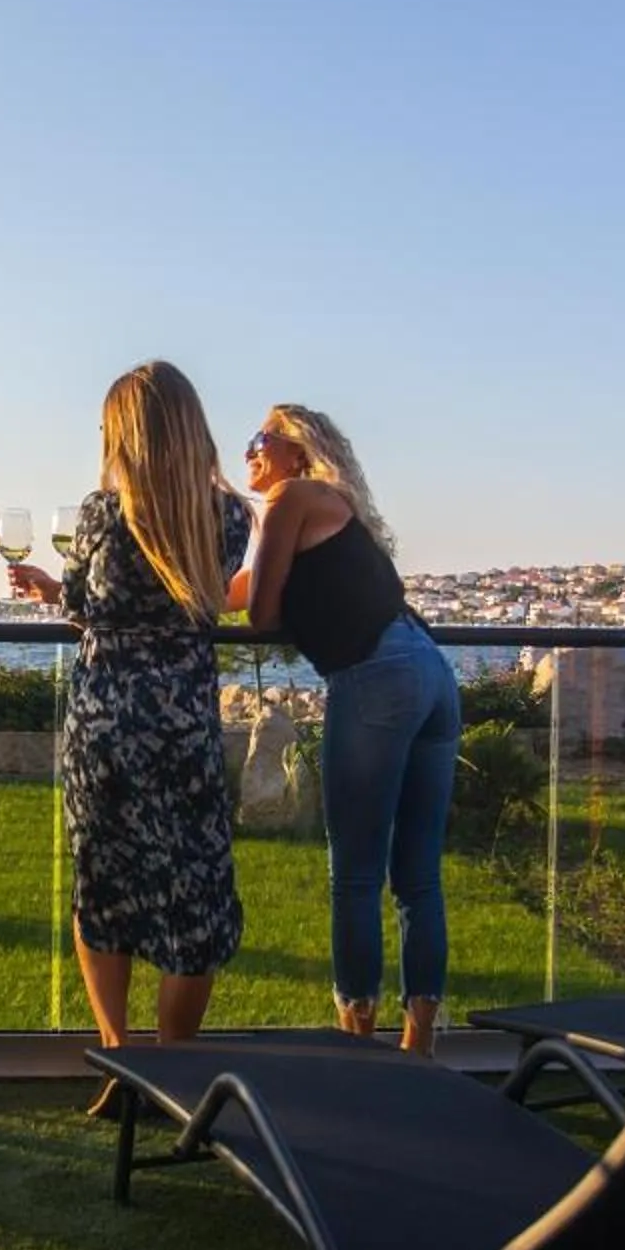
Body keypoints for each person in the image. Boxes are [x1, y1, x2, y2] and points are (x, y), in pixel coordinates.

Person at [7, 362, 251, 1086]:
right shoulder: (230, 517)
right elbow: (202, 596)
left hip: (105, 726)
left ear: (127, 437)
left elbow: (89, 603)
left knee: (103, 885)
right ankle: (172, 1068)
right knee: (196, 899)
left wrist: (59, 592)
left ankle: (117, 1056)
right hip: (182, 726)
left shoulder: (99, 514)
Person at [232, 404, 459, 1052]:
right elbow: (237, 588)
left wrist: (262, 604)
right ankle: (419, 1046)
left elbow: (260, 614)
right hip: (431, 672)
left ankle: (358, 1044)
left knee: (356, 873)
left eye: (259, 439)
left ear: (295, 449)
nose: (247, 451)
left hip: (375, 677)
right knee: (418, 875)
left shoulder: (289, 498)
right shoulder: (331, 507)